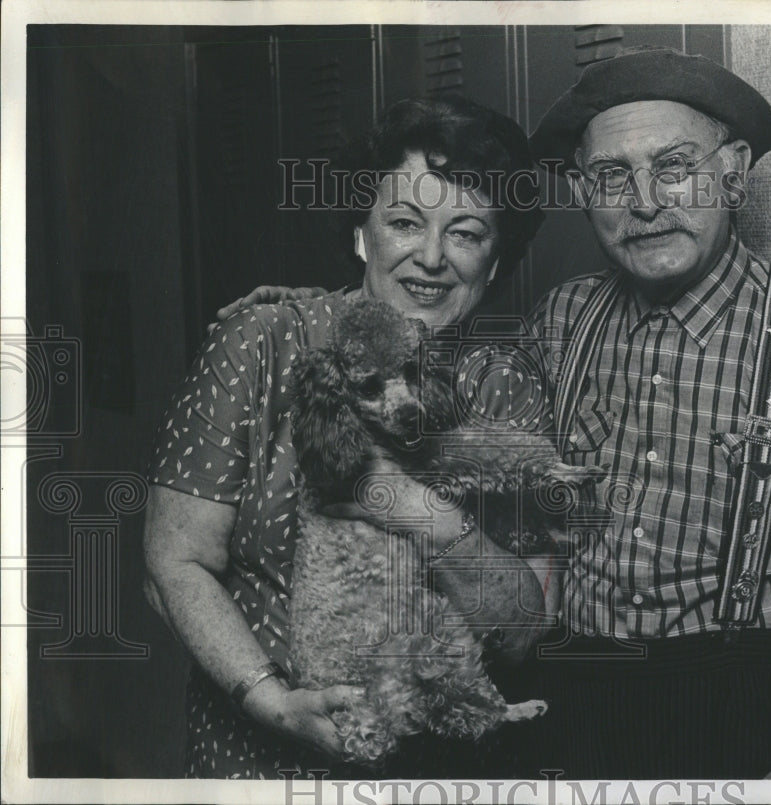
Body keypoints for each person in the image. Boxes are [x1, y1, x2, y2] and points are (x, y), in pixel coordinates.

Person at [496, 46, 771, 780]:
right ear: (582, 190)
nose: (644, 201)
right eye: (611, 176)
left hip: (750, 718)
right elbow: (511, 522)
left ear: (732, 173)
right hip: (579, 710)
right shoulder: (560, 320)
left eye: (674, 167)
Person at [142, 95, 546, 779]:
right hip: (261, 766)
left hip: (439, 774)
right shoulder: (263, 342)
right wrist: (272, 701)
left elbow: (525, 628)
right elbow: (171, 565)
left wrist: (417, 511)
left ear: (496, 262)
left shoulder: (507, 387)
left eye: (466, 232)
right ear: (362, 233)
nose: (430, 256)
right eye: (403, 222)